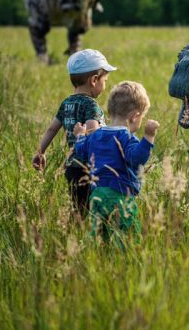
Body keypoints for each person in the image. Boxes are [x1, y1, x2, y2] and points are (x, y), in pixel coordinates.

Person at [32, 49, 116, 217]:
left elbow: (52, 129)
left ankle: (73, 233)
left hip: (71, 167)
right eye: (105, 80)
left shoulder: (66, 103)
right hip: (89, 167)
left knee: (77, 208)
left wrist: (40, 152)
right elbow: (93, 133)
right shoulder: (91, 106)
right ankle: (85, 237)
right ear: (94, 80)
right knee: (92, 210)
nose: (105, 85)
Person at [73, 81, 159, 245]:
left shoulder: (95, 135)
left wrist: (80, 135)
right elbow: (137, 158)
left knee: (98, 237)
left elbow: (81, 151)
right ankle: (123, 263)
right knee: (126, 240)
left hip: (97, 194)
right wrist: (149, 136)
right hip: (120, 196)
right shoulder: (125, 138)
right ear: (134, 116)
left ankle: (97, 258)